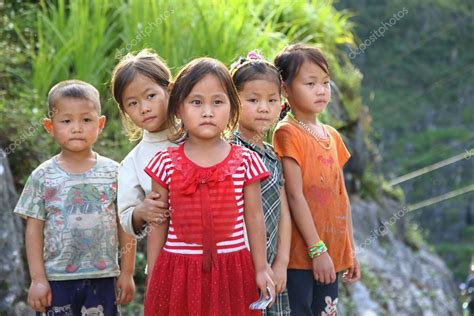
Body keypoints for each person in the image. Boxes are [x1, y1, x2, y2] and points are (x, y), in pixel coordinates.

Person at [143, 57, 275, 315]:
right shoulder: (164, 164)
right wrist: (153, 274)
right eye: (196, 102)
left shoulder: (246, 161)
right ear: (179, 108)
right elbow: (158, 222)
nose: (207, 111)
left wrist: (261, 268)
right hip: (178, 273)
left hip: (233, 272)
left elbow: (255, 216)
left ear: (231, 107)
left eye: (217, 102)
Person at [14, 80, 135, 315]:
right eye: (66, 121)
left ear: (100, 124)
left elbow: (126, 222)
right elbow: (33, 230)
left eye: (86, 120)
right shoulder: (42, 176)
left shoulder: (115, 172)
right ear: (50, 126)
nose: (77, 128)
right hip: (57, 278)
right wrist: (38, 279)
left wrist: (127, 273)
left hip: (104, 276)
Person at [272, 44, 361, 315]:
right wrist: (317, 250)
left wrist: (350, 249)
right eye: (310, 83)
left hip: (332, 255)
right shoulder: (287, 133)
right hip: (302, 257)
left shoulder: (332, 136)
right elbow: (295, 196)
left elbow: (341, 196)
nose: (321, 90)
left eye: (325, 82)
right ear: (285, 89)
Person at [230, 51, 292, 315]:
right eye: (253, 100)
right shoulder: (228, 151)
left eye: (271, 100)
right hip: (238, 266)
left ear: (281, 103)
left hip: (271, 265)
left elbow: (283, 213)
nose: (264, 107)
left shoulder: (273, 155)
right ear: (233, 102)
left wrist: (281, 262)